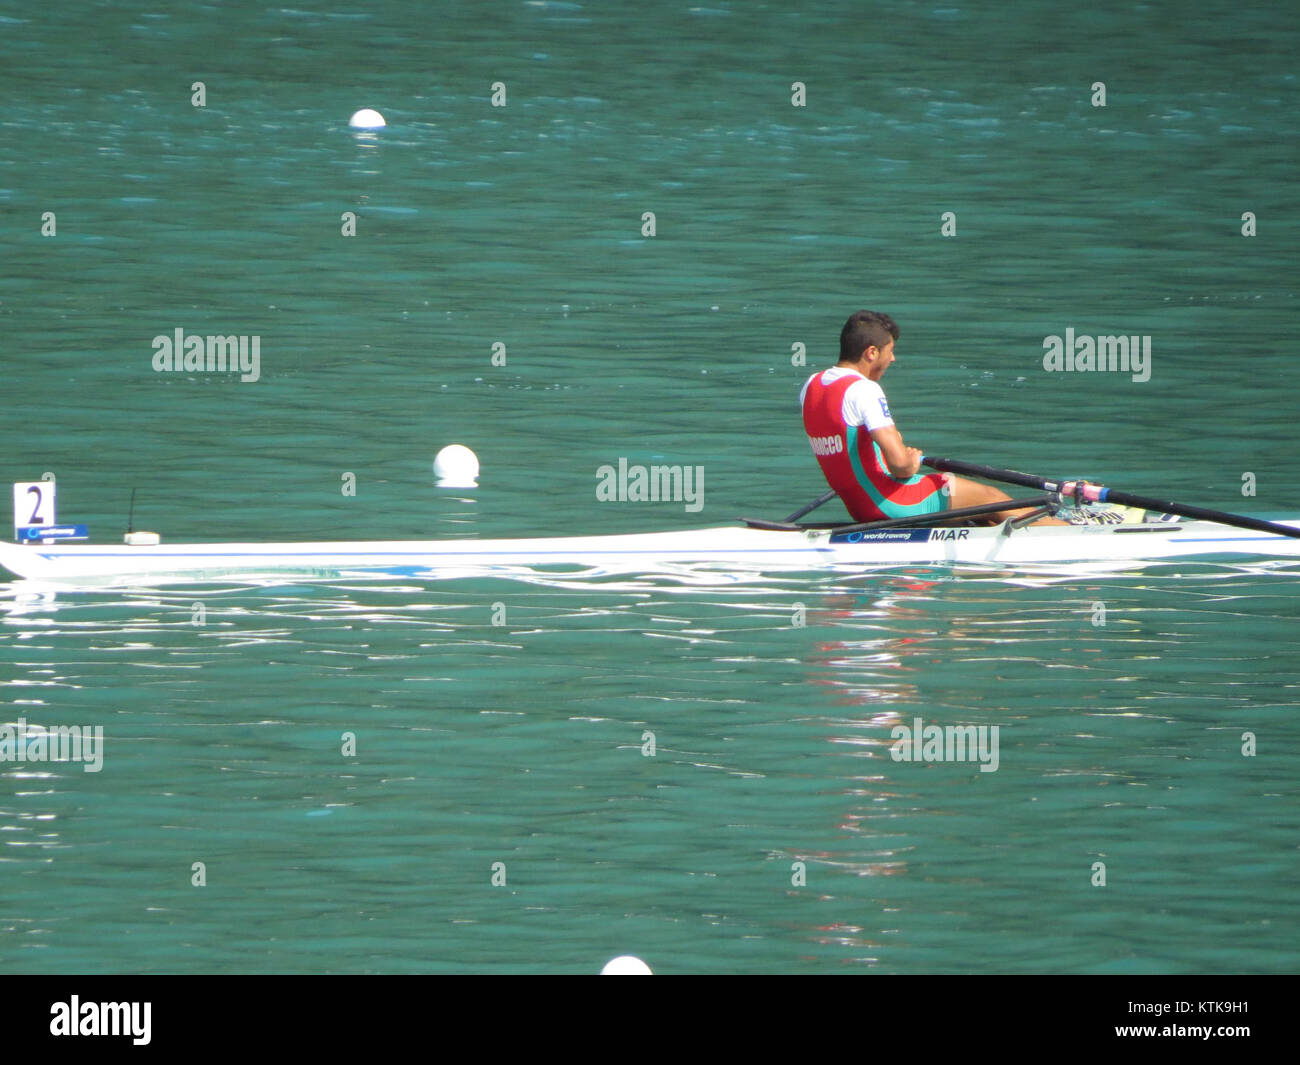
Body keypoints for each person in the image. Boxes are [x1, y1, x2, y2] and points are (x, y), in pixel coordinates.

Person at [801, 310, 1061, 526]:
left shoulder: (811, 386)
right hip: (894, 502)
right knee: (994, 499)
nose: (893, 358)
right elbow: (899, 465)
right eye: (889, 351)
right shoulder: (863, 389)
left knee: (986, 518)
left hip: (860, 508)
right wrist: (911, 461)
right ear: (871, 353)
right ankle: (1069, 534)